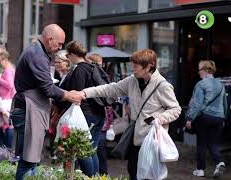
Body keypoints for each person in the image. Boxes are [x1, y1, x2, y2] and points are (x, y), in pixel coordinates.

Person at [71, 49, 181, 180]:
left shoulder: (163, 86)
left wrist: (160, 118)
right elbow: (110, 88)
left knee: (149, 175)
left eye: (136, 66)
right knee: (133, 171)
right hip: (135, 138)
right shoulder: (132, 80)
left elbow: (175, 109)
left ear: (149, 66)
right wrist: (84, 93)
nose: (132, 69)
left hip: (152, 139)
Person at [11, 24, 82, 180]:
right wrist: (68, 95)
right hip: (28, 111)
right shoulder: (37, 54)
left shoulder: (37, 51)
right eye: (60, 44)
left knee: (33, 159)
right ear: (50, 40)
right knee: (29, 161)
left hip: (30, 109)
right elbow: (48, 88)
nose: (60, 47)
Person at [62, 40, 106, 176]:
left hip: (86, 114)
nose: (68, 59)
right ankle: (95, 177)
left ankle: (90, 177)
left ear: (73, 54)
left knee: (83, 151)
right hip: (99, 113)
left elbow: (76, 94)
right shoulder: (92, 67)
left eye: (68, 56)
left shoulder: (80, 70)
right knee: (91, 150)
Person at [185, 60, 227, 178]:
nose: (198, 72)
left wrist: (189, 118)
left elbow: (197, 104)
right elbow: (225, 104)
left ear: (206, 70)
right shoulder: (221, 85)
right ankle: (219, 162)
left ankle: (200, 170)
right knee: (213, 143)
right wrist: (224, 118)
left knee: (202, 143)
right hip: (219, 118)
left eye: (199, 69)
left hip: (204, 117)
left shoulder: (201, 84)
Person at [0, 50, 16, 148]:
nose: (0, 65)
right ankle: (7, 148)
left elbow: (10, 85)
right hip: (7, 99)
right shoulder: (10, 69)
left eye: (0, 62)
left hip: (7, 100)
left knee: (8, 124)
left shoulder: (8, 70)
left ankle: (8, 148)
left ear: (5, 60)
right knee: (6, 124)